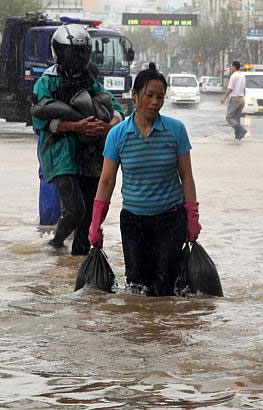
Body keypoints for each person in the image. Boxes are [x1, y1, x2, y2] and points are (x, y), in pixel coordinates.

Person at [88, 63, 201, 297]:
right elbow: (107, 181)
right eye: (149, 95)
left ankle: (163, 331)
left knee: (164, 288)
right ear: (135, 95)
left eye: (160, 97)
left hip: (171, 220)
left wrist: (192, 217)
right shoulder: (117, 135)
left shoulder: (176, 130)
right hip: (134, 222)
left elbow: (186, 177)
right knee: (137, 287)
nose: (155, 102)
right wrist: (95, 223)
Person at [32, 24, 123, 255]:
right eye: (74, 52)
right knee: (75, 210)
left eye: (82, 52)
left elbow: (117, 108)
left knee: (90, 214)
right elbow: (40, 121)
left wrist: (106, 126)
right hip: (60, 153)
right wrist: (76, 126)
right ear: (60, 52)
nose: (78, 58)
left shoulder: (91, 82)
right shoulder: (47, 82)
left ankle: (80, 262)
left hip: (90, 155)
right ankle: (55, 243)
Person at [220, 61, 247, 140]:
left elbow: (230, 88)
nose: (231, 68)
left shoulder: (233, 76)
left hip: (235, 99)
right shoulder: (243, 75)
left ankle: (242, 130)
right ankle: (238, 137)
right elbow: (244, 88)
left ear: (234, 67)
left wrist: (224, 97)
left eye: (231, 67)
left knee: (229, 117)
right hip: (242, 99)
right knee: (237, 118)